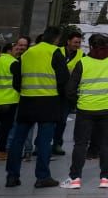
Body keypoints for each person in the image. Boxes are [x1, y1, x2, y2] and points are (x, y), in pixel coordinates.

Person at [5, 27, 68, 188]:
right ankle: (42, 176)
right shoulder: (55, 52)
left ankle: (12, 176)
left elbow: (16, 79)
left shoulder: (27, 53)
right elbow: (63, 79)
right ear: (56, 38)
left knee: (18, 139)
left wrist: (25, 90)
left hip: (27, 101)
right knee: (44, 141)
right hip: (48, 101)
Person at [62, 32, 108, 188]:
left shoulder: (83, 62)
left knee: (80, 144)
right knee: (106, 144)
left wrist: (78, 102)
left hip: (85, 109)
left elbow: (70, 90)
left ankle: (75, 178)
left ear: (91, 46)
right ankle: (105, 178)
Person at [52, 30, 84, 156]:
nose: (77, 45)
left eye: (79, 43)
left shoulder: (82, 55)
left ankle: (57, 144)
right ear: (68, 42)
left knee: (62, 120)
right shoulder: (56, 51)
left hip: (67, 93)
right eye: (75, 42)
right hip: (52, 91)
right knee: (48, 120)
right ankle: (41, 145)